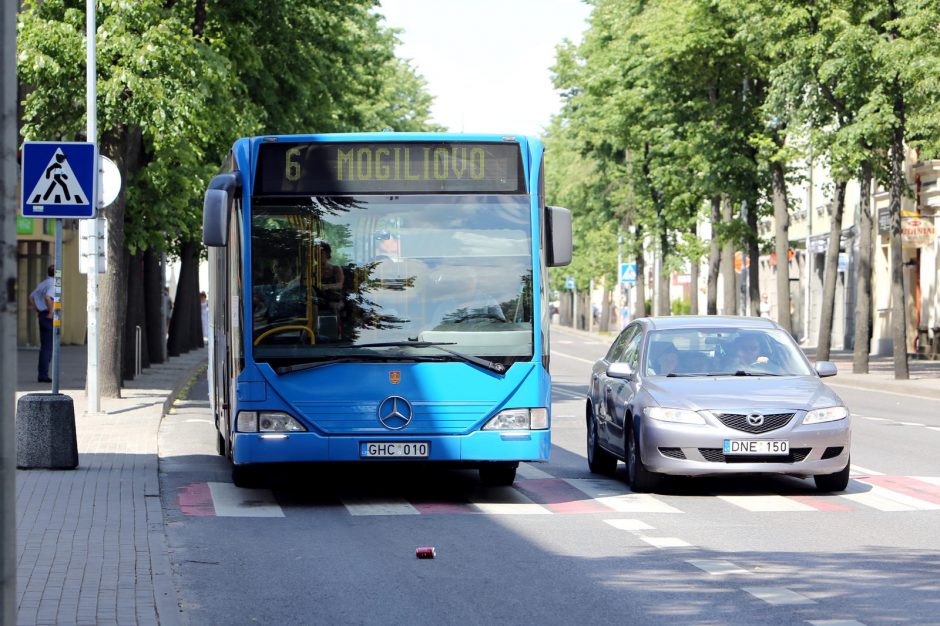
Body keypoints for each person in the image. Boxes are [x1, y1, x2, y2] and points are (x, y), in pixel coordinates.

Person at [29, 264, 55, 383]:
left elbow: (32, 296)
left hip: (42, 314)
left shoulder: (44, 283)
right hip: (48, 316)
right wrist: (50, 312)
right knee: (48, 347)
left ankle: (42, 373)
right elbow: (48, 297)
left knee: (44, 346)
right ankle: (43, 375)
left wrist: (38, 310)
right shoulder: (53, 284)